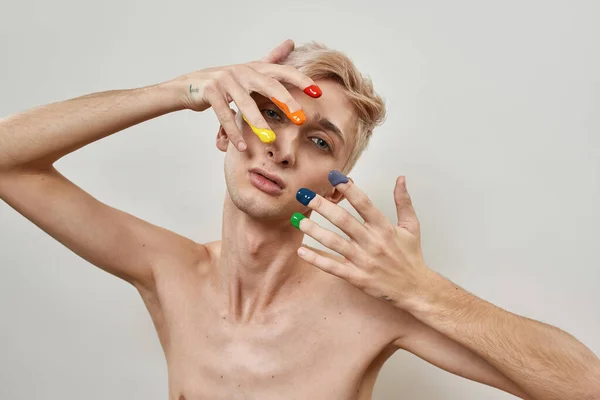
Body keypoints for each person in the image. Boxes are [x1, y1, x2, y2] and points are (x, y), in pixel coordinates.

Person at [0, 39, 598, 400]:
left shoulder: (371, 307)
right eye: (266, 115)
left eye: (318, 142)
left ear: (336, 189)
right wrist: (182, 88)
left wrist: (426, 292)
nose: (281, 149)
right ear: (224, 128)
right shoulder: (170, 272)